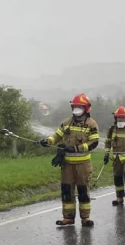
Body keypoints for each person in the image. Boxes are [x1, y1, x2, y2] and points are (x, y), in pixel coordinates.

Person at [42, 93, 101, 227]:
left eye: (79, 106)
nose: (76, 109)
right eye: (75, 106)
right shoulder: (67, 123)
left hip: (83, 165)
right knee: (67, 191)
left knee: (82, 191)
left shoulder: (91, 124)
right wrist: (48, 141)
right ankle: (68, 218)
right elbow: (57, 135)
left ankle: (85, 218)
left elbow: (94, 143)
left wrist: (76, 148)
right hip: (67, 165)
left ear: (86, 108)